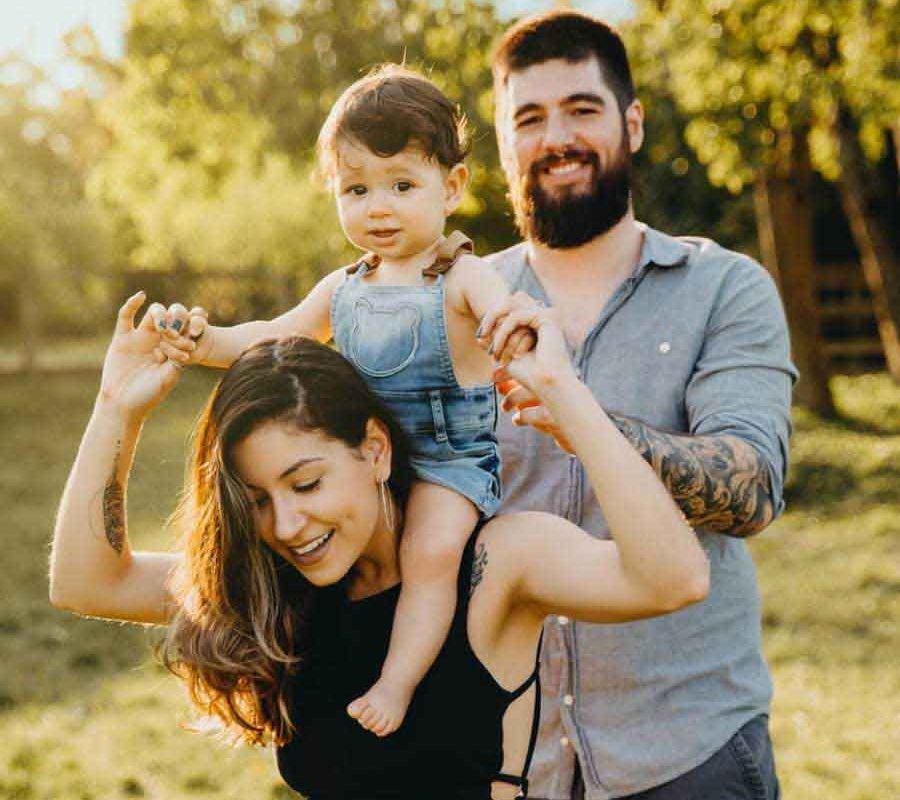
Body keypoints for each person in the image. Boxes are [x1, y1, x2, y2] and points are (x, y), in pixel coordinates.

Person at [50, 292, 708, 800]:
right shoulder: (275, 585)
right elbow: (86, 583)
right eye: (257, 501)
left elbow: (673, 579)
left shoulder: (495, 564)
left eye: (306, 483)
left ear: (375, 450)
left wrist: (567, 399)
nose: (287, 525)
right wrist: (117, 407)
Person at [150, 65, 536, 737]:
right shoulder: (344, 287)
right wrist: (206, 341)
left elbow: (505, 314)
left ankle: (398, 681)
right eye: (356, 189)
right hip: (367, 464)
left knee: (430, 555)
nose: (377, 207)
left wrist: (518, 333)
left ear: (452, 187)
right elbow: (273, 335)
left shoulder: (462, 278)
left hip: (446, 463)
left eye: (401, 186)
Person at [482, 10, 799, 800]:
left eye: (581, 109)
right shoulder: (459, 308)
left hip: (688, 753)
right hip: (505, 762)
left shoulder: (724, 288)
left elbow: (752, 488)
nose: (557, 137)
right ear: (503, 144)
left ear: (632, 123)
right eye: (529, 118)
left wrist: (581, 418)